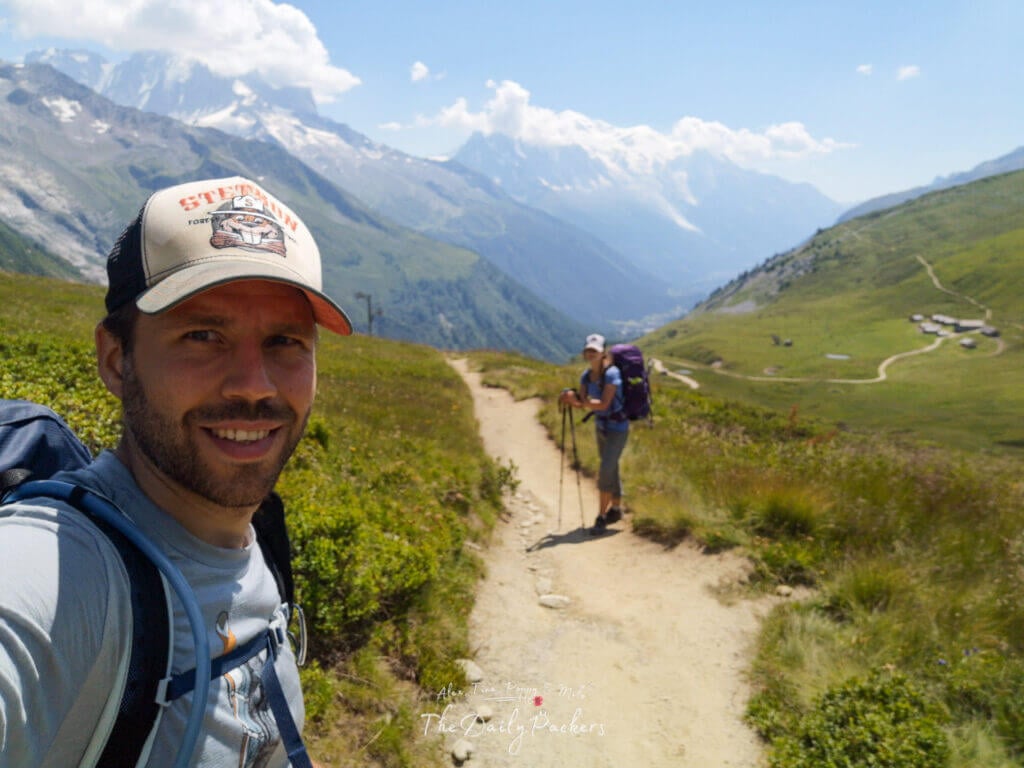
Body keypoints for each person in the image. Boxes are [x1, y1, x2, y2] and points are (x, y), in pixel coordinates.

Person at [0, 177, 351, 767]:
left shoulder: (256, 532)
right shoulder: (61, 577)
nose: (254, 385)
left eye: (285, 341)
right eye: (203, 335)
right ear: (116, 360)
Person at [559, 333, 629, 533]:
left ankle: (601, 516)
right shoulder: (586, 376)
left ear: (603, 352)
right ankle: (616, 508)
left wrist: (578, 402)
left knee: (606, 469)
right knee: (610, 467)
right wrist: (572, 397)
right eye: (588, 350)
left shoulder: (613, 374)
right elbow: (584, 402)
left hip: (618, 428)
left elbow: (604, 403)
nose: (591, 354)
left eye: (595, 351)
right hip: (601, 426)